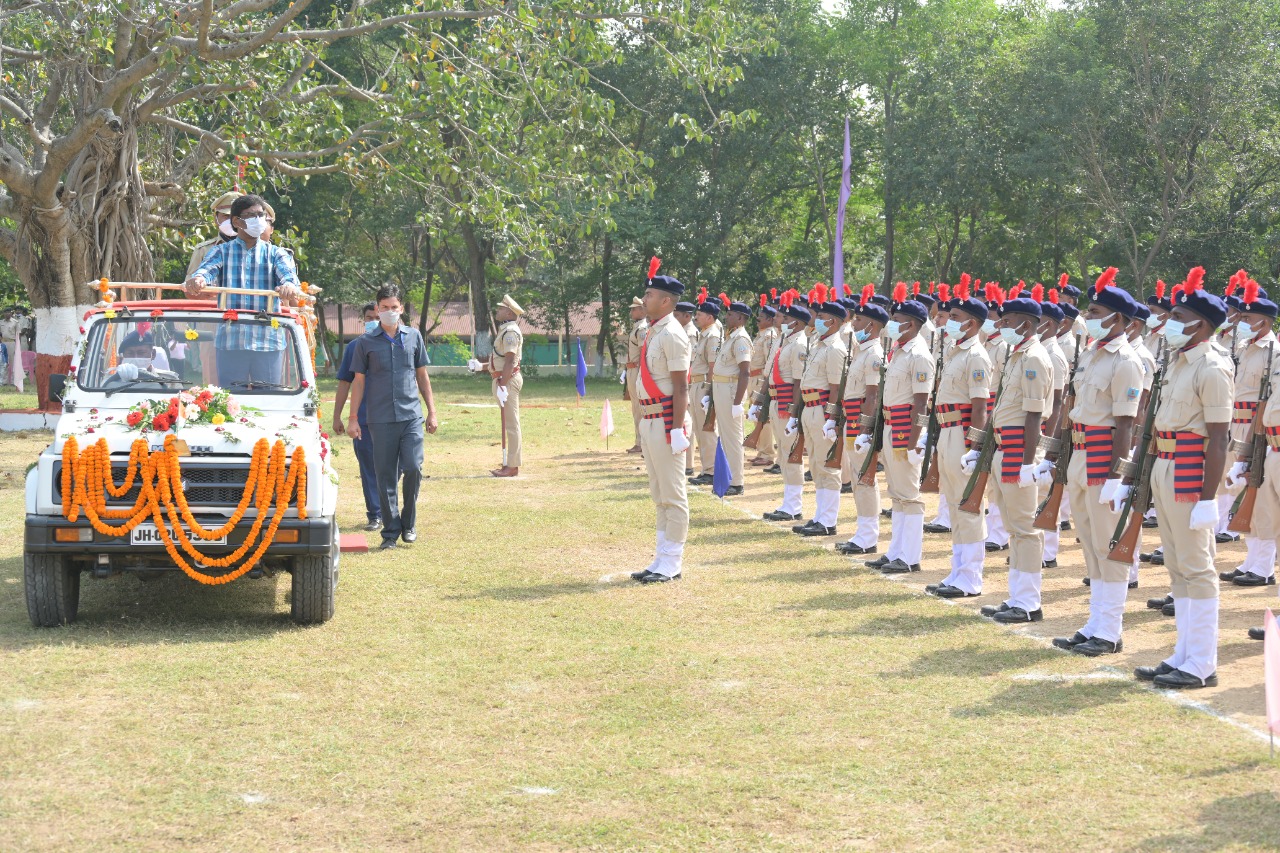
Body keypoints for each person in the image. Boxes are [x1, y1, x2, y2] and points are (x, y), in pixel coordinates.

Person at [1134, 268, 1232, 689]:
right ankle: (1183, 653)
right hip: (1165, 465)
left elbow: (1219, 437)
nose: (1170, 322)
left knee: (1197, 566)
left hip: (1191, 470)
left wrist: (1209, 497)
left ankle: (1202, 662)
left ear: (1201, 325)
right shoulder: (1177, 363)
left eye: (1178, 315)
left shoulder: (1212, 367)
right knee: (1177, 566)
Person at [1049, 269, 1143, 656]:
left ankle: (1110, 630)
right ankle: (1095, 623)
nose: (1088, 316)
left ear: (1117, 318)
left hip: (1104, 457)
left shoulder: (1127, 361)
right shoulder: (1090, 353)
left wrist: (1115, 475)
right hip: (1080, 453)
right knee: (1089, 544)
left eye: (1095, 310)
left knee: (1110, 546)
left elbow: (1126, 422)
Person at [975, 290, 1052, 624]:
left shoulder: (1034, 358)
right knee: (1012, 527)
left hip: (1019, 449)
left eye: (1006, 321)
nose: (1000, 325)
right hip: (1002, 446)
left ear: (1025, 323)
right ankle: (1017, 596)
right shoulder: (1015, 355)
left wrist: (1026, 462)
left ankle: (1028, 602)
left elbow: (1035, 415)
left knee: (1025, 529)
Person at [345, 285, 439, 551]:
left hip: (411, 416)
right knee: (385, 475)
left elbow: (422, 375)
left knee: (413, 467)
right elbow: (358, 382)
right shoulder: (365, 343)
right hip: (379, 418)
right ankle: (390, 532)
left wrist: (431, 411)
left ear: (401, 308)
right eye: (384, 308)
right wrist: (353, 418)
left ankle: (408, 523)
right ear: (377, 309)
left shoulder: (414, 337)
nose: (388, 312)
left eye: (393, 307)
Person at [185, 194, 302, 388]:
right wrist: (198, 280)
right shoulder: (221, 251)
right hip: (231, 342)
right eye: (252, 215)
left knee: (268, 402)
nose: (259, 220)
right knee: (231, 404)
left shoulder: (276, 253)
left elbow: (290, 278)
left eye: (261, 215)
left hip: (268, 342)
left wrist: (289, 286)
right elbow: (205, 271)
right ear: (236, 221)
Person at [926, 281, 993, 598]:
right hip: (947, 432)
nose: (948, 320)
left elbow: (981, 407)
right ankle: (957, 572)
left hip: (963, 436)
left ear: (972, 323)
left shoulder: (976, 356)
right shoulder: (956, 352)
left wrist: (975, 447)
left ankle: (970, 577)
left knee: (969, 508)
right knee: (955, 507)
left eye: (954, 315)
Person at [862, 284, 934, 574]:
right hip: (891, 424)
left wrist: (916, 441)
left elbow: (921, 403)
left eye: (897, 319)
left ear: (912, 324)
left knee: (909, 495)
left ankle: (909, 557)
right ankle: (896, 551)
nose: (891, 324)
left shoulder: (919, 355)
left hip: (906, 427)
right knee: (897, 493)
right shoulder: (899, 351)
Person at [631, 263, 693, 583]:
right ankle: (660, 557)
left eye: (650, 294)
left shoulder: (672, 334)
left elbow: (681, 386)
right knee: (659, 494)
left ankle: (673, 561)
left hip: (667, 420)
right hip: (650, 420)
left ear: (666, 301)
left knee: (673, 494)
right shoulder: (654, 330)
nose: (644, 298)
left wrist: (677, 428)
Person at [1221, 281, 1278, 588]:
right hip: (1238, 425)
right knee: (1245, 495)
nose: (1241, 324)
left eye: (1246, 319)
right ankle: (1252, 560)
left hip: (1259, 430)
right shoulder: (1244, 348)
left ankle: (1264, 567)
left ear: (1264, 322)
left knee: (1260, 496)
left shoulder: (1273, 352)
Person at [792, 288, 849, 536]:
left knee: (828, 467)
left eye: (822, 317)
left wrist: (832, 418)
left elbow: (836, 387)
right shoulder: (818, 344)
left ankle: (828, 520)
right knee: (816, 465)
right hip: (809, 408)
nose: (816, 321)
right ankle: (819, 516)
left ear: (833, 321)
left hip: (823, 411)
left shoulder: (836, 348)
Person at [835, 286, 887, 555]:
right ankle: (863, 532)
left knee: (865, 478)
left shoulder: (874, 354)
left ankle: (868, 536)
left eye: (857, 320)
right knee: (857, 478)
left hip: (860, 421)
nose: (853, 323)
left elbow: (872, 394)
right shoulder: (861, 351)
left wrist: (865, 429)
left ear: (872, 324)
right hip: (852, 418)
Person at [333, 303, 385, 533]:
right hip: (363, 419)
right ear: (363, 320)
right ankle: (375, 513)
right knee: (368, 468)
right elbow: (345, 383)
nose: (374, 320)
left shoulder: (397, 344)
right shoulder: (354, 347)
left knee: (400, 466)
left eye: (377, 316)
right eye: (369, 317)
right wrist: (338, 417)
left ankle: (390, 510)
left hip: (392, 418)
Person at [762, 293, 810, 522]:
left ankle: (793, 505)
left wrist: (793, 412)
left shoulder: (799, 344)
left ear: (797, 323)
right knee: (783, 452)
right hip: (775, 401)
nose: (781, 321)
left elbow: (799, 381)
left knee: (792, 454)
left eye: (786, 318)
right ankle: (788, 502)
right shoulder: (785, 341)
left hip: (786, 405)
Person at [710, 296, 753, 496]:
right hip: (721, 388)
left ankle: (737, 481)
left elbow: (745, 372)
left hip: (730, 391)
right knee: (725, 436)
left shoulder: (741, 339)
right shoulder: (731, 336)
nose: (726, 317)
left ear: (741, 318)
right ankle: (729, 477)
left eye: (730, 314)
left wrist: (738, 402)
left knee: (733, 437)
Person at [486, 294, 525, 478]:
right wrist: (482, 367)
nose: (498, 310)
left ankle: (512, 465)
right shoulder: (505, 329)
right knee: (509, 422)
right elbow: (501, 359)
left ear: (509, 312)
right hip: (503, 378)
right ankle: (510, 462)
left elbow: (510, 360)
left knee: (511, 423)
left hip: (507, 380)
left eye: (501, 308)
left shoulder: (510, 332)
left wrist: (503, 385)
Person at [688, 295, 723, 486]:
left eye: (699, 314)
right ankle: (706, 468)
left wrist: (709, 393)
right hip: (696, 384)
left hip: (704, 385)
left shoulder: (713, 336)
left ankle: (712, 469)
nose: (696, 317)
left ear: (710, 317)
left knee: (708, 429)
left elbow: (713, 366)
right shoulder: (704, 334)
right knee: (699, 429)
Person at [748, 299, 779, 467]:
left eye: (760, 318)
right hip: (752, 379)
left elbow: (770, 362)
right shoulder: (761, 335)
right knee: (755, 416)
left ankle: (767, 453)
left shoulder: (770, 336)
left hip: (760, 379)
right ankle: (762, 451)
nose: (757, 320)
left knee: (762, 417)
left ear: (770, 319)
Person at [186, 190, 242, 279]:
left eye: (236, 217)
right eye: (226, 216)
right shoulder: (203, 250)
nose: (231, 221)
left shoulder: (255, 249)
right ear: (216, 219)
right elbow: (189, 288)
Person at [624, 297, 649, 454]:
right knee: (635, 407)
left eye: (634, 308)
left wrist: (640, 373)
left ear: (642, 310)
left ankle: (641, 442)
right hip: (632, 369)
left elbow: (642, 353)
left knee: (639, 407)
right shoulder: (637, 327)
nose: (632, 311)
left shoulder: (642, 328)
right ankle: (640, 440)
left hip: (637, 370)